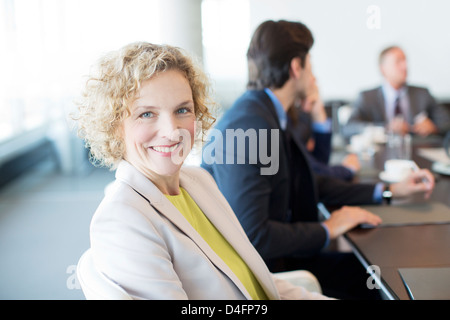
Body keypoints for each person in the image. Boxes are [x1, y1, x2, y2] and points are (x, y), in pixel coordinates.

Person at [73, 41, 332, 300]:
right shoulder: (121, 220)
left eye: (182, 110)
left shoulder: (199, 181)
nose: (172, 130)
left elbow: (254, 279)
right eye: (146, 114)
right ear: (115, 125)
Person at [201, 20, 435, 299]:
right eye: (310, 63)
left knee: (384, 273)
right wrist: (327, 228)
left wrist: (388, 191)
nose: (313, 73)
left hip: (279, 262)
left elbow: (309, 181)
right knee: (384, 282)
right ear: (296, 67)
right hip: (263, 278)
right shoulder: (253, 125)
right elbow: (255, 235)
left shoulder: (266, 113)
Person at [347, 46, 450, 137]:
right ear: (383, 69)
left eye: (405, 61)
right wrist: (386, 128)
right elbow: (349, 128)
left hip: (416, 151)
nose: (405, 66)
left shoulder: (422, 94)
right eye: (398, 62)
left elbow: (446, 122)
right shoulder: (367, 97)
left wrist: (434, 126)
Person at [291, 81, 360, 181]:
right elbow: (313, 170)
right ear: (296, 70)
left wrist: (318, 115)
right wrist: (347, 169)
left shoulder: (299, 111)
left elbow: (321, 161)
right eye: (309, 71)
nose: (313, 79)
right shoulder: (285, 117)